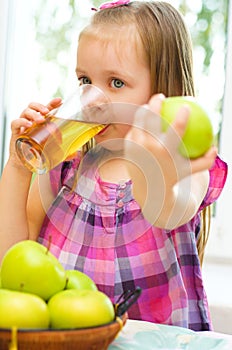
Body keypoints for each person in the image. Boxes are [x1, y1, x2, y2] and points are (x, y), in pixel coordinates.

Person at [0, 0, 227, 331]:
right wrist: (17, 169)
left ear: (162, 91)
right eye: (84, 81)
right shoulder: (64, 171)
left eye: (116, 83)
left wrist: (150, 162)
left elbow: (166, 210)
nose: (94, 99)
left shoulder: (184, 164)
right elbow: (12, 262)